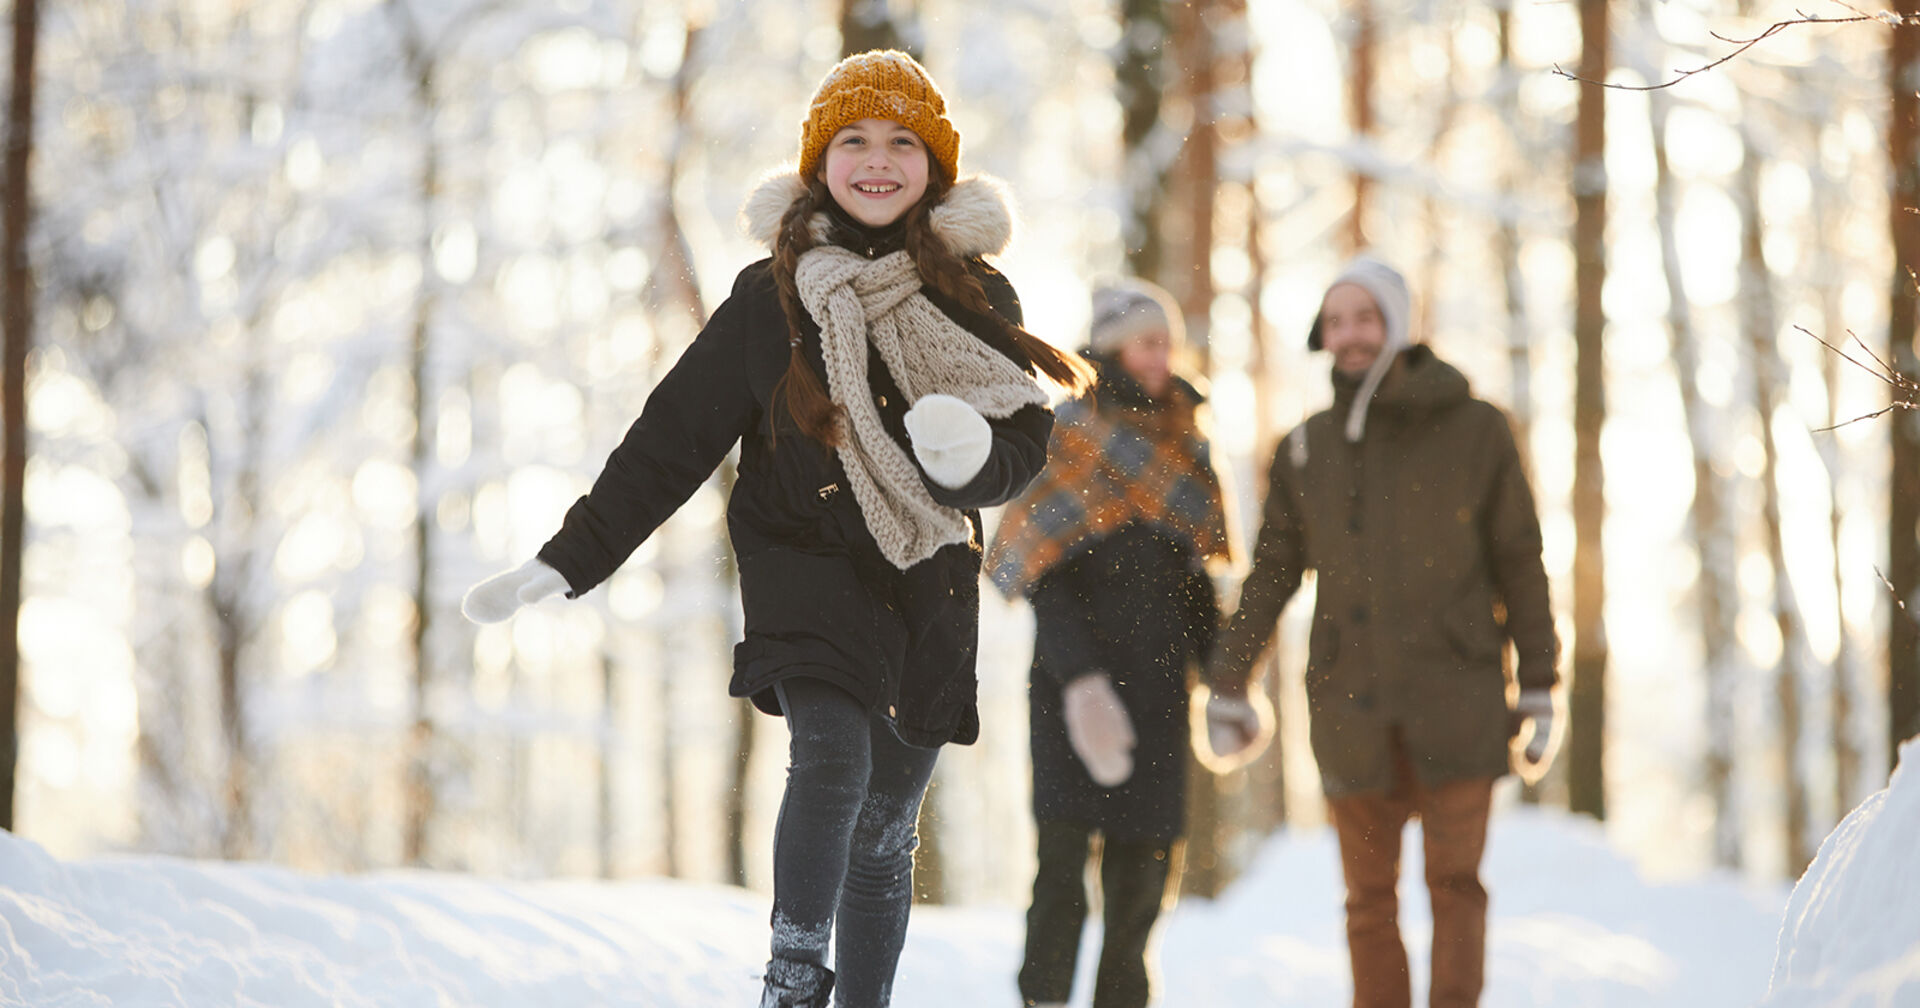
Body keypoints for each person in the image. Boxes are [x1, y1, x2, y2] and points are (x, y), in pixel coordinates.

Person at [460, 50, 1095, 1008]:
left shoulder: (977, 294)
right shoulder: (773, 296)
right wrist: (568, 559)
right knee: (832, 749)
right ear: (819, 161)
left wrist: (973, 460)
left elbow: (1020, 437)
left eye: (900, 142)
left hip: (927, 568)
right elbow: (670, 443)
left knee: (887, 822)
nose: (876, 160)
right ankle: (793, 978)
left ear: (934, 165)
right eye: (853, 140)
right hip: (802, 557)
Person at [1203, 255, 1559, 1008]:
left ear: (1397, 325)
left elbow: (1520, 562)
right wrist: (1230, 681)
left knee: (1455, 885)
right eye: (1337, 321)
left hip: (1457, 701)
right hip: (1350, 706)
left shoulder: (1477, 429)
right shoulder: (1305, 449)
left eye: (1366, 317)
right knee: (1368, 902)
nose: (1351, 334)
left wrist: (1538, 684)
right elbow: (1271, 574)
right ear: (1322, 336)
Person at [985, 279, 1235, 1008]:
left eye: (1167, 342)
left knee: (1143, 883)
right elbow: (1040, 574)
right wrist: (1084, 683)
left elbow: (1197, 584)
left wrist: (1224, 683)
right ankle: (1043, 1000)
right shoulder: (1066, 432)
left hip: (1162, 693)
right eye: (1147, 341)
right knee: (1061, 874)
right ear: (1113, 346)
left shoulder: (1187, 442)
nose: (1161, 357)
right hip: (1071, 690)